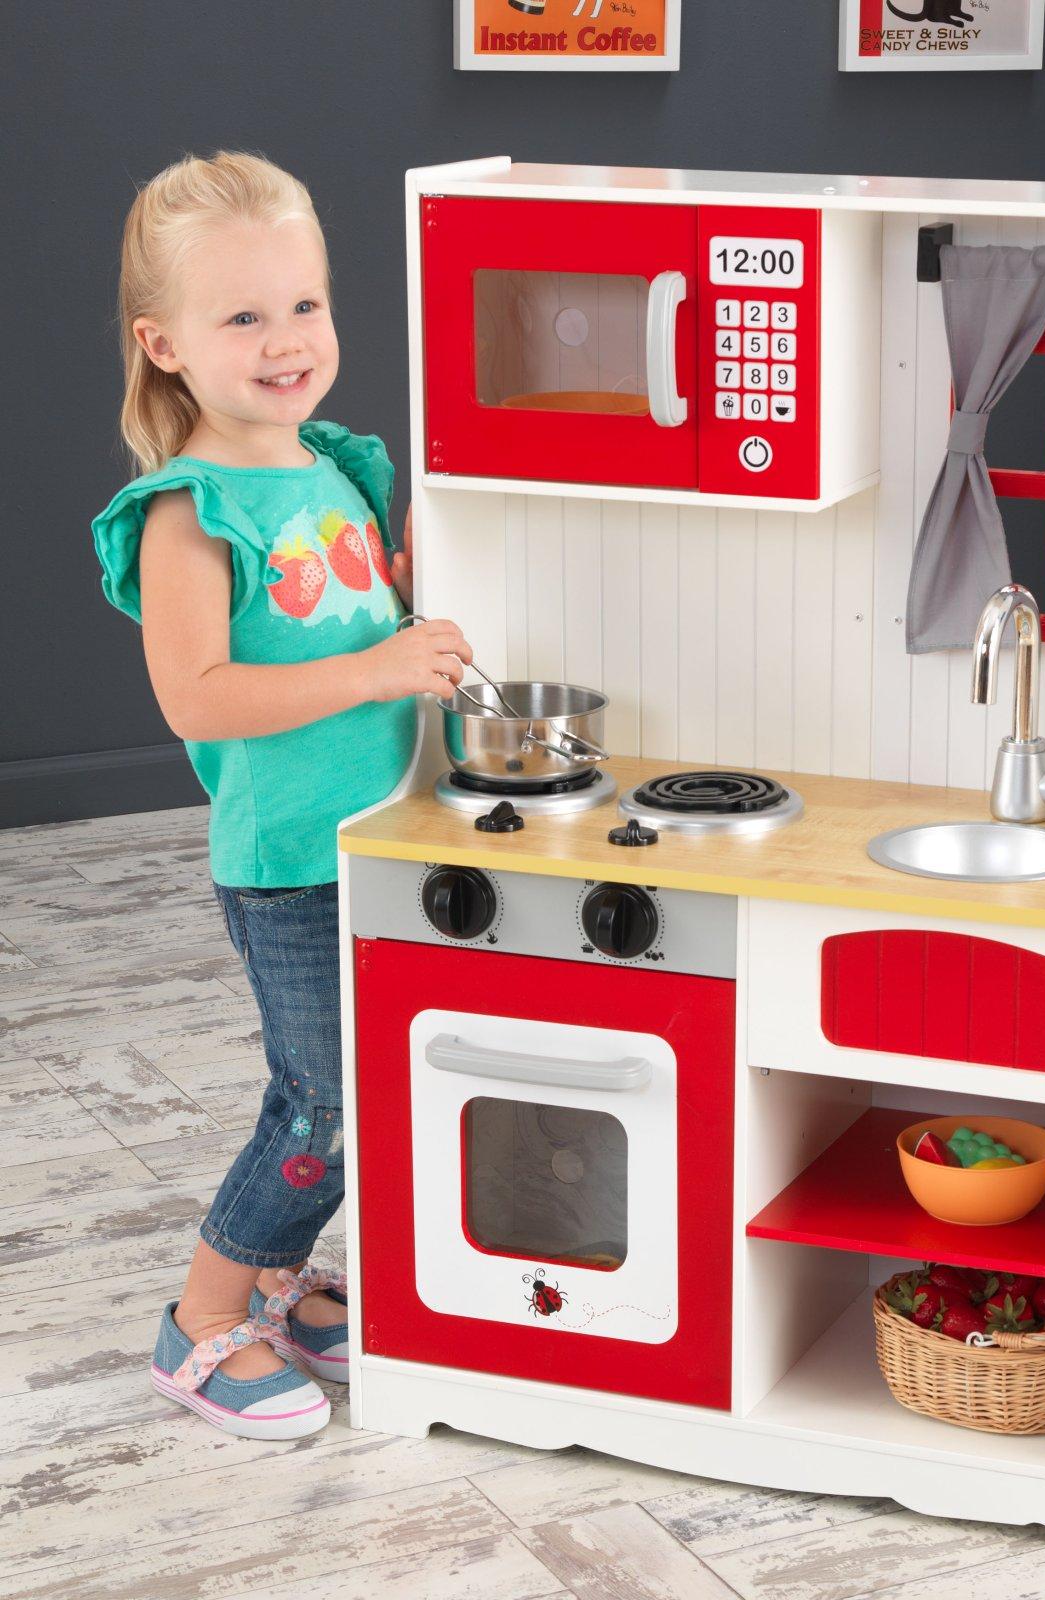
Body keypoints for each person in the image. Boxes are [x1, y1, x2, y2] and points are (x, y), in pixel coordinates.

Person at [91, 151, 472, 1439]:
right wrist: (378, 664)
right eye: (244, 316)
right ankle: (202, 1316)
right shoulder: (189, 513)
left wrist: (415, 593)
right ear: (165, 345)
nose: (287, 341)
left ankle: (278, 1281)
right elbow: (197, 698)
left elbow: (361, 616)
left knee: (374, 1080)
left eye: (304, 305)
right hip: (292, 861)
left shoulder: (334, 468)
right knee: (325, 1103)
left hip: (383, 838)